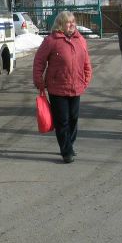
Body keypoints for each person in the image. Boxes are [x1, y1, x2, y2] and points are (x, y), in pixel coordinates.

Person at [33, 11, 93, 163]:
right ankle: (66, 151)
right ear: (60, 24)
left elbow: (86, 61)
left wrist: (86, 78)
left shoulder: (80, 40)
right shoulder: (51, 40)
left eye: (73, 21)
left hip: (76, 86)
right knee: (62, 120)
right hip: (57, 87)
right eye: (68, 22)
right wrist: (39, 80)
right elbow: (39, 61)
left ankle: (70, 145)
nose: (72, 24)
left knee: (73, 119)